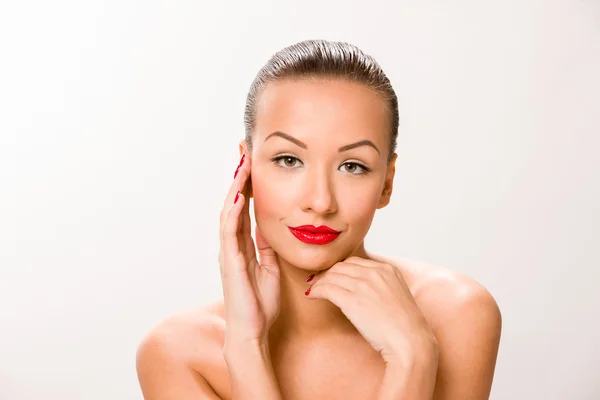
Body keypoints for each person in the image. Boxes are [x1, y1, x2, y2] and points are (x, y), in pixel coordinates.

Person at [135, 39, 502, 399]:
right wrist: (247, 348)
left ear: (386, 183)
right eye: (289, 160)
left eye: (352, 166)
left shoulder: (457, 314)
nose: (320, 201)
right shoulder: (178, 353)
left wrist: (412, 356)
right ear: (245, 171)